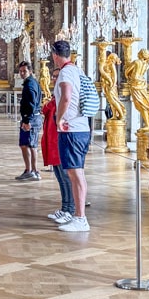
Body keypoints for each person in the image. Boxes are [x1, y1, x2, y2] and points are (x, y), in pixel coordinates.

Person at [52, 40, 90, 232]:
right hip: (81, 128)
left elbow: (66, 97)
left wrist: (58, 119)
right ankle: (78, 215)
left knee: (75, 174)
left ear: (54, 55)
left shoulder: (66, 72)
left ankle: (80, 218)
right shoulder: (77, 70)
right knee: (76, 173)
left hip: (71, 129)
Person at [41, 92, 74, 225]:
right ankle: (65, 207)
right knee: (61, 178)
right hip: (53, 143)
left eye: (57, 77)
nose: (55, 80)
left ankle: (70, 210)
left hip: (60, 143)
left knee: (66, 178)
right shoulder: (55, 100)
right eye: (54, 77)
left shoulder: (65, 101)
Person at [15, 60, 42, 181]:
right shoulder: (32, 82)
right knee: (28, 145)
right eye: (20, 71)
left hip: (31, 118)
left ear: (30, 71)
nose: (22, 73)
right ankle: (32, 170)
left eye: (24, 71)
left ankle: (32, 170)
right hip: (33, 117)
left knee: (28, 145)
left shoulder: (30, 84)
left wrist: (27, 120)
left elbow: (31, 103)